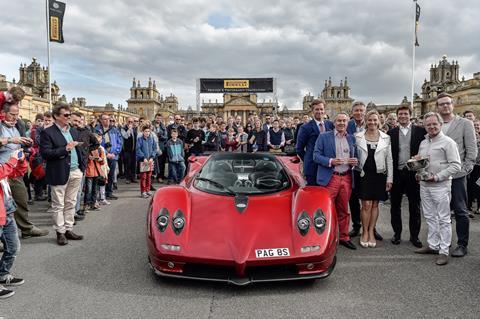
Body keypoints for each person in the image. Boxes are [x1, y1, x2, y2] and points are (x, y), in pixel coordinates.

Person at [414, 112, 461, 266]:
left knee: (444, 218)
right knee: (429, 216)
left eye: (434, 124)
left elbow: (456, 165)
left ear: (440, 125)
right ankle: (433, 245)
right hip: (425, 184)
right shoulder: (423, 143)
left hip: (440, 185)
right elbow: (422, 164)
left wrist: (438, 176)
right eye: (428, 125)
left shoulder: (448, 142)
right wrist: (418, 172)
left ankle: (443, 250)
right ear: (425, 126)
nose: (432, 127)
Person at [437, 92, 477, 257]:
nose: (445, 106)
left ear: (452, 105)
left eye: (448, 103)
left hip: (457, 175)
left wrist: (466, 169)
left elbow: (472, 150)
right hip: (438, 176)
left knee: (460, 210)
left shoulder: (465, 123)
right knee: (440, 211)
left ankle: (462, 244)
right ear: (437, 106)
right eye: (442, 104)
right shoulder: (435, 123)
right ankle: (441, 243)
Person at [0, 103, 49, 239]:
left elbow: (16, 144)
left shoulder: (16, 127)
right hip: (2, 172)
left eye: (17, 114)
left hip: (15, 172)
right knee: (2, 208)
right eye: (12, 114)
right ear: (4, 112)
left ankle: (26, 228)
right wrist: (10, 140)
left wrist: (25, 144)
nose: (16, 118)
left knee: (22, 199)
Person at [40, 103, 85, 246]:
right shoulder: (48, 132)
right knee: (58, 204)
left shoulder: (73, 130)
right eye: (66, 115)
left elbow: (79, 150)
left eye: (69, 114)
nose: (69, 117)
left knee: (71, 203)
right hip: (59, 172)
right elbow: (46, 154)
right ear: (56, 116)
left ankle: (68, 229)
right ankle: (60, 232)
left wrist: (81, 167)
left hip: (75, 171)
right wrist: (65, 149)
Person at [313, 112, 358, 250]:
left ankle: (344, 237)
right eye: (339, 121)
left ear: (347, 123)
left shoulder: (351, 138)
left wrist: (355, 161)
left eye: (344, 121)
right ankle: (325, 238)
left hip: (346, 177)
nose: (341, 123)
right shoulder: (323, 137)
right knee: (326, 209)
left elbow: (356, 157)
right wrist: (331, 161)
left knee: (344, 209)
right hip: (331, 177)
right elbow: (315, 155)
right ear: (334, 123)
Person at [387, 106, 426, 247]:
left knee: (414, 206)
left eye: (405, 113)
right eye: (400, 114)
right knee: (395, 206)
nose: (403, 116)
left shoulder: (421, 131)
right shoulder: (390, 133)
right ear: (397, 116)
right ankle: (397, 234)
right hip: (397, 173)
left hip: (413, 173)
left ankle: (414, 236)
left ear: (410, 115)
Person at [355, 110, 393, 248]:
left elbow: (390, 160)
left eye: (375, 120)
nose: (372, 122)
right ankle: (364, 232)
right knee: (366, 205)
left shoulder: (386, 138)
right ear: (366, 120)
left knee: (375, 205)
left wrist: (390, 179)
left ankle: (371, 231)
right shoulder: (357, 136)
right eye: (370, 120)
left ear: (379, 121)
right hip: (364, 175)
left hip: (379, 175)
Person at [347, 101, 382, 241]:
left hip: (371, 169)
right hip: (354, 168)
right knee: (354, 199)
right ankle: (356, 226)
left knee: (372, 201)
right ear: (352, 112)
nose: (359, 113)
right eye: (356, 110)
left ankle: (371, 228)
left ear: (365, 111)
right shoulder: (347, 125)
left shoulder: (372, 125)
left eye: (361, 110)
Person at [0, 149, 28, 299]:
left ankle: (3, 274)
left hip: (7, 211)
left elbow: (17, 172)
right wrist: (11, 160)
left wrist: (21, 160)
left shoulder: (3, 164)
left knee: (13, 247)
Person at [296, 99, 334, 186]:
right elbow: (299, 148)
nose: (319, 111)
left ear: (324, 110)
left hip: (328, 166)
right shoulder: (305, 127)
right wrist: (308, 158)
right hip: (312, 167)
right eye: (317, 109)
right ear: (312, 111)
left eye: (321, 109)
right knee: (313, 194)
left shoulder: (330, 124)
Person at [96, 113, 123, 200]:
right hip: (103, 157)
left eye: (109, 119)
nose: (107, 121)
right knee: (103, 176)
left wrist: (115, 153)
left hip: (113, 156)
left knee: (111, 175)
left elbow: (120, 142)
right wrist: (106, 154)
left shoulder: (114, 130)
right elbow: (96, 144)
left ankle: (109, 192)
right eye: (105, 119)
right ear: (100, 120)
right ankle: (101, 195)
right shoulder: (97, 130)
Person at [84, 134, 105, 211]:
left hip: (97, 171)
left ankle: (93, 203)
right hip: (89, 171)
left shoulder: (100, 149)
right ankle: (86, 204)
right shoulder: (87, 148)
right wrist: (88, 158)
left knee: (95, 189)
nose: (98, 141)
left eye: (99, 140)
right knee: (88, 189)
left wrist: (99, 159)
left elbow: (102, 162)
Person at [136, 123, 157, 198]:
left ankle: (148, 190)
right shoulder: (140, 140)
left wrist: (152, 157)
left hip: (150, 160)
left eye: (148, 131)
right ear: (143, 132)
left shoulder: (152, 139)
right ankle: (143, 191)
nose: (147, 133)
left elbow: (155, 149)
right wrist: (143, 157)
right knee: (143, 177)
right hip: (143, 161)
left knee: (149, 176)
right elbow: (138, 149)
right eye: (145, 131)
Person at [467, 119, 480, 214]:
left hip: (479, 166)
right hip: (471, 166)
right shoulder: (469, 137)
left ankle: (479, 207)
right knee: (470, 186)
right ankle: (468, 206)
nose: (476, 127)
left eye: (478, 125)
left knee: (478, 186)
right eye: (474, 125)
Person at [120, 117, 138, 184]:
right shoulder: (123, 129)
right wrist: (129, 130)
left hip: (134, 150)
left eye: (132, 122)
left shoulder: (135, 129)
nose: (130, 123)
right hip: (127, 150)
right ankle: (127, 178)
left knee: (133, 164)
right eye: (129, 121)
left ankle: (133, 177)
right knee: (127, 164)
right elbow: (125, 136)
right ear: (126, 121)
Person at [152, 113, 168, 183]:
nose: (158, 119)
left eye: (160, 118)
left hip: (161, 146)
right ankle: (151, 177)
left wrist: (160, 136)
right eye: (157, 118)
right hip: (152, 146)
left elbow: (166, 137)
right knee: (152, 162)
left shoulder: (163, 126)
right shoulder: (151, 124)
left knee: (161, 163)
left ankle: (160, 176)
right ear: (155, 118)